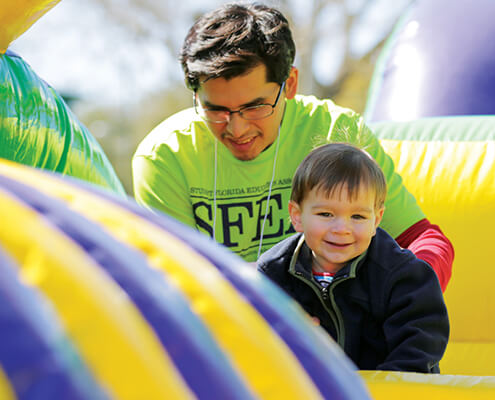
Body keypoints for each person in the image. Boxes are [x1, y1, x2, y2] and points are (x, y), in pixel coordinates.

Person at [131, 2, 453, 290]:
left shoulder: (337, 131)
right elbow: (178, 281)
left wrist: (411, 290)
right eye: (216, 110)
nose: (237, 128)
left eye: (255, 107)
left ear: (290, 85)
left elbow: (422, 239)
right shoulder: (164, 157)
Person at [257, 143, 449, 372]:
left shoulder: (402, 276)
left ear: (376, 220)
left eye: (357, 216)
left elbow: (420, 344)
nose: (342, 229)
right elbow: (250, 340)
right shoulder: (273, 274)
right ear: (297, 216)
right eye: (326, 214)